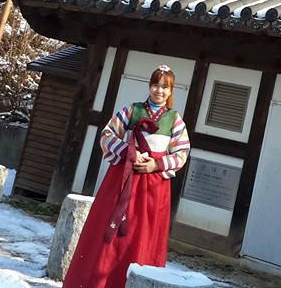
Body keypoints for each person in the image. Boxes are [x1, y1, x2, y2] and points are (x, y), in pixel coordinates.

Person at [62, 65, 191, 288]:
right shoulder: (132, 110)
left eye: (164, 87)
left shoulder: (175, 119)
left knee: (145, 235)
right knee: (111, 231)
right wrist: (129, 152)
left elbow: (182, 153)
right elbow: (107, 135)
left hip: (154, 186)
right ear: (149, 86)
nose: (159, 90)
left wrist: (156, 164)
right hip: (124, 178)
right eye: (155, 85)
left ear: (171, 91)